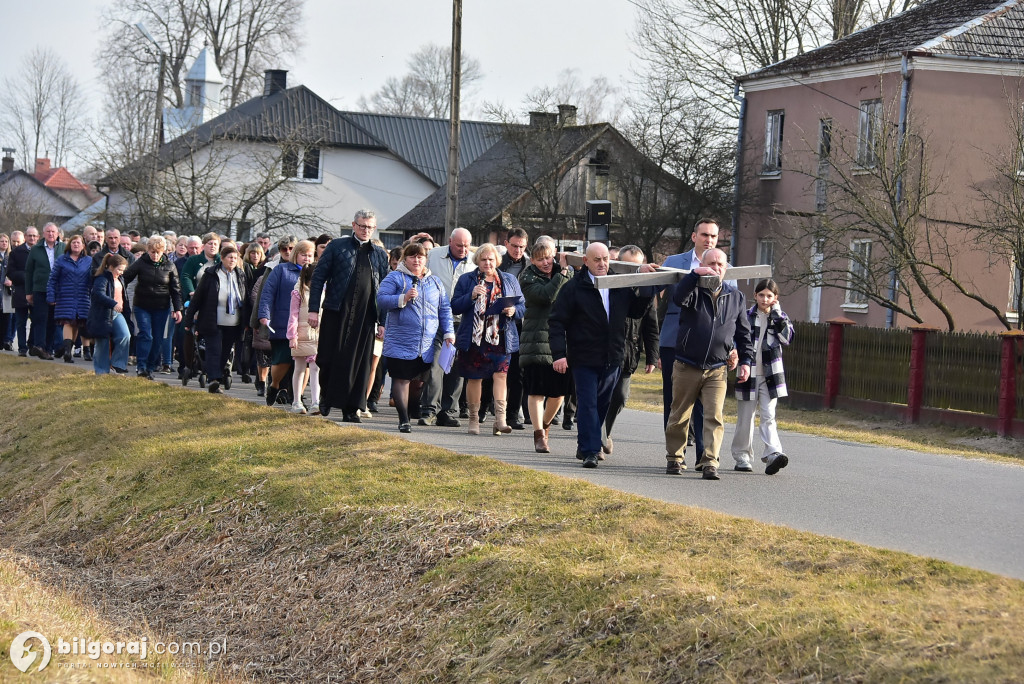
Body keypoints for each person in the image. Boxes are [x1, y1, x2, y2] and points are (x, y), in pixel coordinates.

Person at [549, 242, 656, 468]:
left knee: (601, 404)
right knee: (587, 404)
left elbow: (636, 311)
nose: (602, 264)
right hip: (583, 357)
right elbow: (557, 322)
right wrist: (559, 354)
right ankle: (591, 450)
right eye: (596, 259)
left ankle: (585, 443)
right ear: (586, 262)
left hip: (612, 357)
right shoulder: (574, 288)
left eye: (605, 259)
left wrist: (648, 286)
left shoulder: (618, 285)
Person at [664, 248, 754, 481]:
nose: (716, 268)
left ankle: (710, 462)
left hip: (717, 368)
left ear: (726, 269)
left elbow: (744, 333)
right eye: (711, 263)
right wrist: (694, 276)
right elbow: (677, 298)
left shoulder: (736, 297)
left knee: (714, 416)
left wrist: (746, 361)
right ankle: (675, 458)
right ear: (702, 265)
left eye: (720, 264)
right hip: (687, 364)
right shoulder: (692, 290)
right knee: (680, 414)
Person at [307, 210, 390, 422]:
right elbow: (318, 279)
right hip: (337, 310)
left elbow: (384, 289)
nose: (366, 230)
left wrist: (382, 320)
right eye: (362, 226)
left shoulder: (379, 254)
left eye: (370, 227)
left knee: (360, 363)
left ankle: (352, 408)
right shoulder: (337, 247)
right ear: (353, 225)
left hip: (365, 315)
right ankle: (326, 397)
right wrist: (314, 309)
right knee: (327, 356)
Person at [658, 218, 722, 465]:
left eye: (714, 236)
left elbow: (732, 309)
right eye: (704, 235)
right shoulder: (674, 262)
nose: (709, 240)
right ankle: (675, 455)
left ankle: (703, 456)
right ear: (694, 236)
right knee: (675, 400)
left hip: (707, 344)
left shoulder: (723, 265)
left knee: (705, 403)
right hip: (674, 339)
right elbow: (655, 292)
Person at [377, 242, 455, 432]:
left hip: (426, 343)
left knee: (419, 381)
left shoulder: (434, 282)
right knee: (401, 379)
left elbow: (444, 308)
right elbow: (381, 298)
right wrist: (402, 298)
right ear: (405, 259)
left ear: (426, 259)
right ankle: (403, 418)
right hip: (401, 340)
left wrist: (448, 332)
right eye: (412, 256)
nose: (417, 260)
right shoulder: (395, 277)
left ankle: (412, 410)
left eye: (420, 257)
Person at [450, 242, 525, 435]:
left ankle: (500, 419)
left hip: (500, 336)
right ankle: (474, 419)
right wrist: (471, 296)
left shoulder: (508, 279)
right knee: (474, 379)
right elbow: (455, 306)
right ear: (477, 261)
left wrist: (513, 310)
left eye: (491, 259)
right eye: (483, 259)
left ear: (497, 261)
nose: (487, 263)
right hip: (475, 339)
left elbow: (522, 306)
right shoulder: (467, 279)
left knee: (501, 376)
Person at [602, 245, 660, 457]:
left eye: (638, 267)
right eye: (628, 267)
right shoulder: (608, 285)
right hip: (605, 350)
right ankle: (595, 440)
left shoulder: (644, 292)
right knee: (601, 396)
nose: (634, 272)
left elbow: (651, 326)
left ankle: (604, 433)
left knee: (620, 396)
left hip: (629, 352)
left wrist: (653, 356)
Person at [731, 278, 794, 475]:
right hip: (748, 373)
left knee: (768, 415)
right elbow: (736, 338)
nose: (765, 299)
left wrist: (776, 316)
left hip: (771, 375)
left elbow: (787, 339)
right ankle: (742, 456)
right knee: (746, 417)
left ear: (776, 298)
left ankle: (773, 454)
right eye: (761, 295)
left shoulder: (781, 317)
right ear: (755, 296)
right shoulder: (746, 316)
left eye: (769, 296)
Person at [518, 235, 572, 453]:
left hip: (561, 341)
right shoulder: (527, 277)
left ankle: (546, 425)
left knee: (558, 393)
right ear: (532, 260)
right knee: (536, 392)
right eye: (540, 259)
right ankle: (538, 434)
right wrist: (564, 273)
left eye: (549, 258)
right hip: (536, 341)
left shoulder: (565, 272)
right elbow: (547, 295)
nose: (546, 262)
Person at [419, 228, 476, 426]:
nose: (463, 249)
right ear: (450, 241)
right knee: (436, 366)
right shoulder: (433, 256)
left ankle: (448, 411)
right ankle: (429, 409)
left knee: (455, 368)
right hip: (436, 321)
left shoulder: (474, 262)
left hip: (461, 322)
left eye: (467, 245)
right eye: (459, 245)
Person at [185, 244, 249, 394]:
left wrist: (247, 322)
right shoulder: (211, 274)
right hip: (213, 320)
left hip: (233, 322)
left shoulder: (240, 275)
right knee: (214, 350)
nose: (233, 260)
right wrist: (189, 320)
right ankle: (213, 380)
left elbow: (245, 300)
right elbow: (198, 298)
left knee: (225, 353)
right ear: (223, 258)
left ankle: (217, 377)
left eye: (235, 258)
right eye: (230, 257)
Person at [259, 240, 313, 406]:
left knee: (305, 362)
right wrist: (264, 315)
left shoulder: (315, 273)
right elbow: (268, 294)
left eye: (310, 255)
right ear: (295, 255)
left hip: (308, 326)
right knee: (282, 361)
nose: (306, 258)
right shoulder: (281, 270)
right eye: (303, 255)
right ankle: (274, 385)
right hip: (283, 324)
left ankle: (297, 397)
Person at [122, 235, 183, 380]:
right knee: (145, 334)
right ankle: (141, 366)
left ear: (163, 251)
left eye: (158, 252)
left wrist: (178, 308)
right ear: (148, 251)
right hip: (142, 305)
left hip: (161, 307)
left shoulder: (170, 265)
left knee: (157, 339)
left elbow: (176, 289)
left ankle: (150, 368)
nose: (155, 255)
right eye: (152, 252)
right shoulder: (141, 263)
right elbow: (125, 277)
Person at [498, 227, 529, 429]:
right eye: (515, 246)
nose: (518, 250)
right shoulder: (497, 262)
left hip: (520, 324)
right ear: (506, 243)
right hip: (497, 323)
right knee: (494, 370)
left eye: (522, 247)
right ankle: (486, 409)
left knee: (517, 372)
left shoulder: (530, 265)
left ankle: (512, 415)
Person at [46, 234, 93, 363]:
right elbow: (52, 279)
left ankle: (66, 348)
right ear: (69, 245)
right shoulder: (62, 260)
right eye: (73, 243)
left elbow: (93, 278)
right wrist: (51, 295)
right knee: (67, 322)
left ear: (83, 245)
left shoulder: (89, 260)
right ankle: (67, 352)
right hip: (65, 296)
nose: (76, 244)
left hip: (83, 297)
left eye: (78, 243)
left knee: (77, 324)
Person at [25, 223, 64, 359]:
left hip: (57, 290)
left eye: (53, 231)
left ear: (57, 233)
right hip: (40, 289)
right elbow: (29, 271)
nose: (51, 234)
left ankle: (49, 348)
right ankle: (39, 346)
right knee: (40, 318)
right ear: (43, 234)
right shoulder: (36, 249)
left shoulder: (63, 248)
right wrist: (28, 292)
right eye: (48, 231)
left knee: (53, 320)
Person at [87, 254, 132, 375]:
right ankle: (101, 371)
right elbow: (98, 294)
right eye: (119, 269)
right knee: (103, 343)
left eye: (123, 270)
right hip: (103, 314)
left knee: (125, 336)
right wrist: (113, 303)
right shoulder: (102, 278)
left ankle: (118, 364)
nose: (121, 272)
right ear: (111, 267)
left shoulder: (120, 278)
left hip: (117, 314)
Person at [7, 229, 33, 356]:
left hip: (35, 292)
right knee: (21, 322)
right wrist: (26, 276)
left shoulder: (40, 251)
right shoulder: (15, 253)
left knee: (37, 320)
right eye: (14, 241)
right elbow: (10, 272)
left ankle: (32, 344)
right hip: (20, 291)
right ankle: (22, 347)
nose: (16, 244)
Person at [180, 232, 221, 301]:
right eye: (210, 243)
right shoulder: (193, 259)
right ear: (203, 246)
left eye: (215, 244)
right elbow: (185, 276)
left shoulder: (222, 261)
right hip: (198, 298)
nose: (213, 246)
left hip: (217, 299)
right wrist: (191, 292)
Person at [0, 233, 12, 351]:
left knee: (7, 317)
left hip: (7, 292)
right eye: (2, 241)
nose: (4, 243)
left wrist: (11, 281)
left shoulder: (10, 257)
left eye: (6, 241)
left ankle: (6, 340)